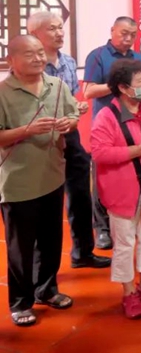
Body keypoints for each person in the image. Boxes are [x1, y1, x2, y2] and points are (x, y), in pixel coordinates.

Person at [0, 35, 79, 327]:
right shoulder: (3, 92)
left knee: (51, 240)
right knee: (20, 247)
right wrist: (27, 130)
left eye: (39, 52)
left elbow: (73, 113)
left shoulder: (55, 85)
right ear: (11, 60)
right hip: (18, 183)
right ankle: (21, 302)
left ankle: (47, 289)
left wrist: (70, 122)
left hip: (52, 175)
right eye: (29, 54)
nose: (37, 58)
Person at [89, 59, 141, 319]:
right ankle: (128, 292)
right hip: (122, 191)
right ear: (123, 88)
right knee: (125, 243)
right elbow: (99, 153)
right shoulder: (107, 116)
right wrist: (138, 150)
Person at [27, 11, 109, 270]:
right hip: (39, 139)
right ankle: (39, 272)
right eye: (52, 28)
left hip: (70, 135)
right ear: (34, 34)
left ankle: (83, 252)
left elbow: (70, 98)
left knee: (81, 195)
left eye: (60, 27)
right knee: (41, 204)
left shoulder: (69, 61)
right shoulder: (28, 67)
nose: (59, 33)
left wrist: (76, 107)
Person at [84, 16, 141, 251]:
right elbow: (88, 91)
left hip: (135, 123)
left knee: (134, 175)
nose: (128, 38)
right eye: (124, 33)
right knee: (103, 178)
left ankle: (132, 221)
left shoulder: (138, 58)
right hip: (107, 124)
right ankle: (102, 228)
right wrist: (119, 86)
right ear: (112, 31)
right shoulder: (98, 55)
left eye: (133, 34)